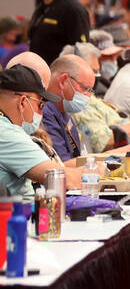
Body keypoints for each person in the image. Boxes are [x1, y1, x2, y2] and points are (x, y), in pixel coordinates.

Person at [0, 64, 83, 198]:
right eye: (40, 104)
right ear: (22, 102)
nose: (42, 112)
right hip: (17, 216)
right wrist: (101, 170)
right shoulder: (8, 134)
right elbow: (65, 179)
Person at [41, 54, 94, 162]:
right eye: (86, 89)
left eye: (90, 91)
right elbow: (62, 164)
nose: (88, 96)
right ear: (63, 81)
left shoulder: (64, 113)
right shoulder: (44, 112)